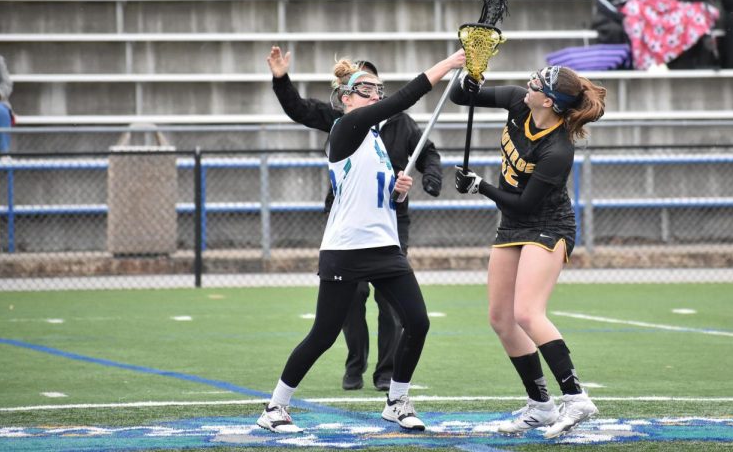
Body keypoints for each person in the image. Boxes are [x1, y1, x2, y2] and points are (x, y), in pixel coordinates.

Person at [257, 48, 466, 434]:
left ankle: (396, 400)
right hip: (345, 249)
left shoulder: (377, 142)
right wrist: (449, 64)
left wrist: (399, 189)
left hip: (384, 246)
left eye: (378, 89)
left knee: (417, 322)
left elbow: (376, 196)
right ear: (347, 98)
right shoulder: (346, 128)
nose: (376, 94)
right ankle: (275, 406)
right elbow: (407, 97)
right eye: (366, 89)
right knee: (322, 334)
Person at [449, 66, 605, 439]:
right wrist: (469, 82)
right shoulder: (517, 102)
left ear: (548, 101)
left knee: (527, 312)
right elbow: (460, 97)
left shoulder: (558, 149)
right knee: (501, 318)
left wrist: (480, 187)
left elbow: (523, 205)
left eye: (536, 84)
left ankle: (576, 396)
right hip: (514, 226)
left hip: (548, 224)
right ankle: (540, 406)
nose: (528, 85)